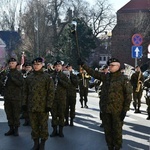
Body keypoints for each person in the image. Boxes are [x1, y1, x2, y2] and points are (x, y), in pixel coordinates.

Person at [77, 57, 132, 150]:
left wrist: (125, 110)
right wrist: (83, 65)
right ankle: (110, 147)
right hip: (106, 110)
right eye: (109, 65)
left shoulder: (123, 79)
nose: (109, 67)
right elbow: (93, 73)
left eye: (112, 65)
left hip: (117, 111)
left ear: (118, 66)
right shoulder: (106, 77)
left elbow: (128, 96)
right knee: (107, 132)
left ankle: (117, 147)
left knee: (117, 132)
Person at [22, 57, 54, 150]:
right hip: (32, 106)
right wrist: (24, 104)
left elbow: (51, 92)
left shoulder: (47, 77)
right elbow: (25, 92)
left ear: (42, 65)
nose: (36, 66)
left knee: (43, 126)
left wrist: (49, 105)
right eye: (35, 64)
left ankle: (42, 143)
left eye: (38, 64)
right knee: (34, 126)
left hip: (43, 107)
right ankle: (36, 143)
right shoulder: (29, 77)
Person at [3, 58, 23, 136]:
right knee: (9, 113)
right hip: (7, 97)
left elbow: (21, 83)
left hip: (16, 97)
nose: (11, 65)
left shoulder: (18, 74)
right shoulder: (6, 73)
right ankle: (11, 128)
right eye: (10, 63)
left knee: (16, 114)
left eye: (13, 63)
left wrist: (13, 79)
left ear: (16, 64)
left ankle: (16, 129)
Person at [50, 60, 69, 137]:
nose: (57, 67)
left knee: (61, 115)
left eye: (59, 66)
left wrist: (60, 80)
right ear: (54, 67)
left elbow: (68, 86)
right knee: (54, 115)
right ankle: (54, 130)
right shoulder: (51, 75)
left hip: (61, 98)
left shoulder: (64, 76)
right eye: (56, 66)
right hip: (53, 98)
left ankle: (61, 131)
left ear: (61, 67)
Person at [22, 62, 33, 126]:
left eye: (29, 67)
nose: (28, 68)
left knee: (31, 107)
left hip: (31, 93)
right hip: (25, 93)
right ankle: (26, 120)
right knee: (25, 107)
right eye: (27, 67)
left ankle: (31, 120)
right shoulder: (24, 73)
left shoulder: (33, 74)